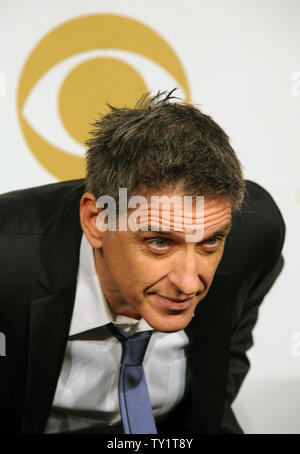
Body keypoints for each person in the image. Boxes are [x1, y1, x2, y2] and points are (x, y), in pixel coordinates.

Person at [0, 91, 285, 434]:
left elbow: (227, 351)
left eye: (210, 241)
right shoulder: (7, 260)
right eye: (160, 242)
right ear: (97, 221)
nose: (189, 283)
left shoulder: (253, 234)